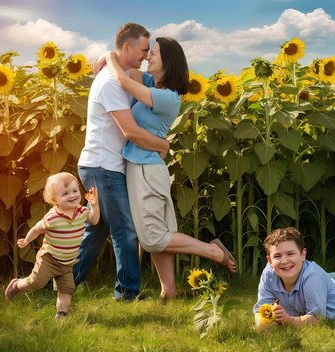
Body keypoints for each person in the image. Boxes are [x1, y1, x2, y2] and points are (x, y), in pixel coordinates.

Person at [100, 37, 237, 299]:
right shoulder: (155, 84)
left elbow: (124, 81)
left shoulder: (166, 98)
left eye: (153, 53)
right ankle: (169, 291)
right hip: (148, 168)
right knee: (161, 233)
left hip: (144, 169)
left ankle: (212, 251)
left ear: (169, 62)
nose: (148, 57)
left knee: (151, 238)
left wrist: (108, 57)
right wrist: (108, 59)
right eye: (148, 52)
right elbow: (129, 70)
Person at [74, 23, 170, 301]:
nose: (145, 55)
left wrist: (107, 55)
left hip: (104, 165)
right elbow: (130, 131)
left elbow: (148, 81)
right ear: (127, 47)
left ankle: (60, 282)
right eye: (143, 50)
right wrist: (163, 145)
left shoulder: (124, 73)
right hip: (102, 167)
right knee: (126, 230)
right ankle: (128, 294)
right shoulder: (110, 83)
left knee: (97, 231)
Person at [4, 172, 100, 320]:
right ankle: (16, 285)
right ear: (55, 200)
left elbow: (94, 220)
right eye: (65, 193)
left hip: (67, 262)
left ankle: (61, 315)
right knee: (36, 283)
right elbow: (37, 229)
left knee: (67, 289)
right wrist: (26, 241)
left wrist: (94, 205)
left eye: (75, 191)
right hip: (49, 258)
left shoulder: (82, 212)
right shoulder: (53, 217)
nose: (72, 195)